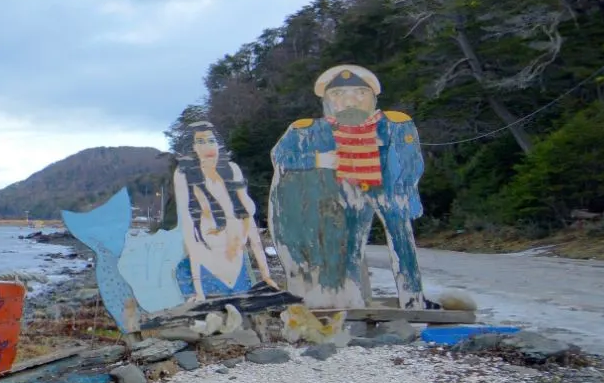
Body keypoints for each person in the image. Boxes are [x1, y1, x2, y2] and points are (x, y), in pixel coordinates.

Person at [268, 64, 426, 308]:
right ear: (327, 100)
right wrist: (318, 160)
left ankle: (413, 298)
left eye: (360, 92)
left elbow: (410, 159)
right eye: (338, 94)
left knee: (402, 240)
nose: (349, 100)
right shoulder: (310, 130)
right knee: (350, 244)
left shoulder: (395, 124)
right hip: (342, 192)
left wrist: (400, 192)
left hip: (387, 190)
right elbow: (281, 156)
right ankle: (352, 298)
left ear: (373, 97)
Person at [172, 121, 274, 298]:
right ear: (192, 148)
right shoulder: (184, 176)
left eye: (211, 140)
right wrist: (199, 290)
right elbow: (189, 233)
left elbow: (249, 222)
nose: (208, 147)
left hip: (237, 262)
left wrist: (266, 275)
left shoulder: (231, 170)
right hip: (206, 264)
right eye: (201, 142)